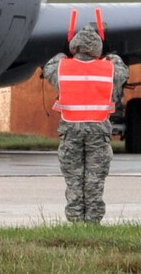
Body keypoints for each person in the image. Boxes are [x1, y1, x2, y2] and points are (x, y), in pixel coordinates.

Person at [42, 22, 127, 223]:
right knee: (95, 178)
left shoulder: (62, 67)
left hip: (71, 131)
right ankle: (93, 221)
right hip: (98, 132)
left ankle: (75, 220)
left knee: (73, 179)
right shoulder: (109, 68)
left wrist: (64, 53)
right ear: (98, 46)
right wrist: (111, 54)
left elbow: (49, 68)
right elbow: (122, 71)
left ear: (74, 46)